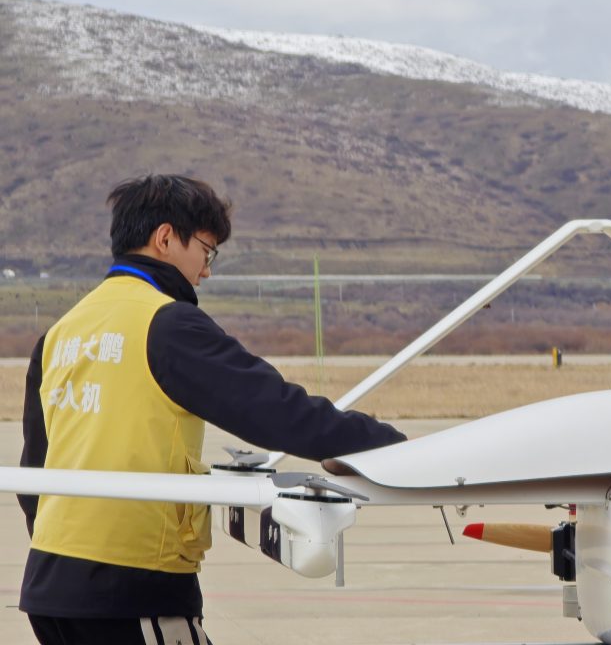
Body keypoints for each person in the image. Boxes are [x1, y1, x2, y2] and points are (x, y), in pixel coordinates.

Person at [17, 174, 406, 645]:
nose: (206, 270)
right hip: (133, 585)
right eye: (206, 250)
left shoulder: (61, 333)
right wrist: (395, 450)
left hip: (50, 585)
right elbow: (276, 411)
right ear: (165, 238)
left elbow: (34, 472)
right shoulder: (166, 323)